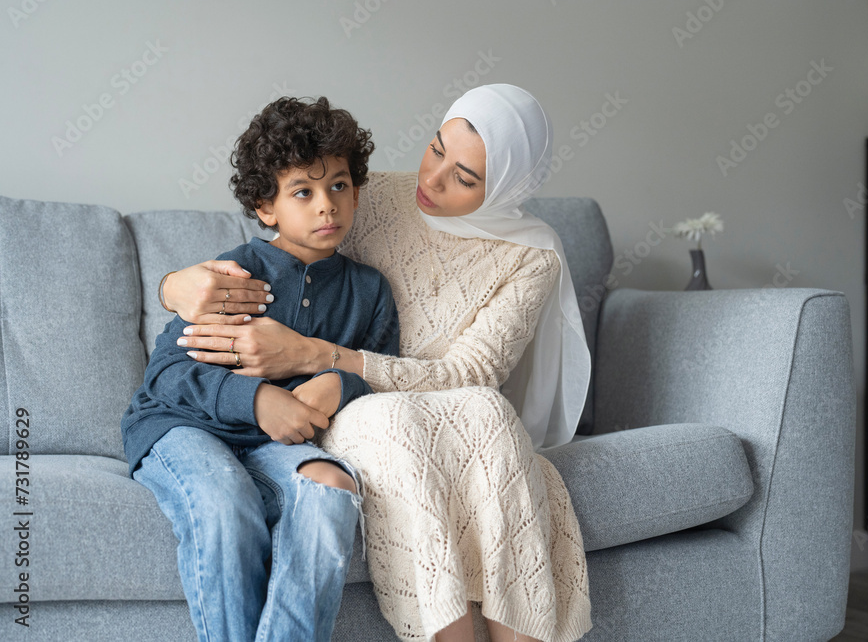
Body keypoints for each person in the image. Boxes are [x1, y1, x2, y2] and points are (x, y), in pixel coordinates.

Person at [163, 84, 592, 642]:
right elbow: (187, 349)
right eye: (436, 149)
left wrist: (327, 367)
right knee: (381, 428)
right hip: (353, 413)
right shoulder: (360, 198)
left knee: (488, 409)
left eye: (464, 178)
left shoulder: (529, 255)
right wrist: (174, 284)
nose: (432, 181)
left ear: (507, 186)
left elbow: (468, 373)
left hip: (432, 398)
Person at [121, 96, 399, 642]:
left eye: (339, 186)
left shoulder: (370, 291)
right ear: (266, 207)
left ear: (357, 190)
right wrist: (256, 400)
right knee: (226, 499)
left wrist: (341, 384)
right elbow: (167, 377)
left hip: (276, 446)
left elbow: (388, 376)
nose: (327, 206)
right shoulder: (237, 274)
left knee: (331, 487)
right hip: (182, 428)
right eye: (304, 192)